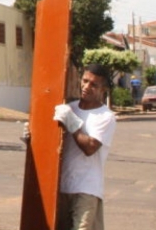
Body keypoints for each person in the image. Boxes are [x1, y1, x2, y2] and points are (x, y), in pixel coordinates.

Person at [54, 63, 117, 230]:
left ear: (103, 90)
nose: (87, 87)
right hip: (62, 187)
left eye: (94, 84)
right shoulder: (70, 108)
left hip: (86, 189)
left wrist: (72, 122)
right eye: (85, 81)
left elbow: (90, 147)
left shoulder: (105, 116)